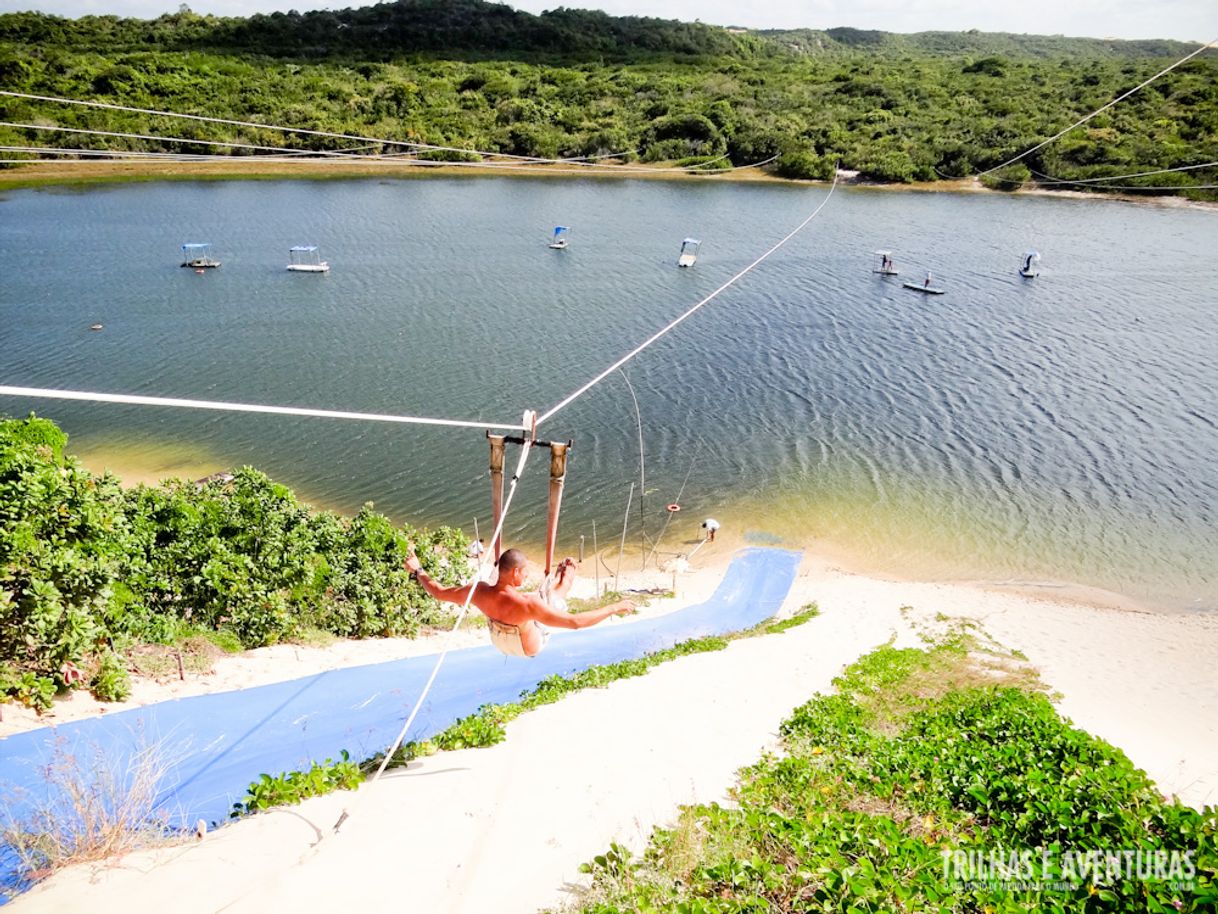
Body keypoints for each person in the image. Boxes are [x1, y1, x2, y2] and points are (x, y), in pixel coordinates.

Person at [404, 548, 635, 658]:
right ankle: (568, 572)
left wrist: (418, 570)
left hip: (501, 641)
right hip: (529, 647)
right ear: (515, 572)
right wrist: (614, 607)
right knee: (555, 595)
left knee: (548, 593)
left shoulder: (479, 592)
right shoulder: (527, 604)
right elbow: (574, 623)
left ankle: (562, 573)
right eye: (524, 573)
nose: (525, 576)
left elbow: (440, 592)